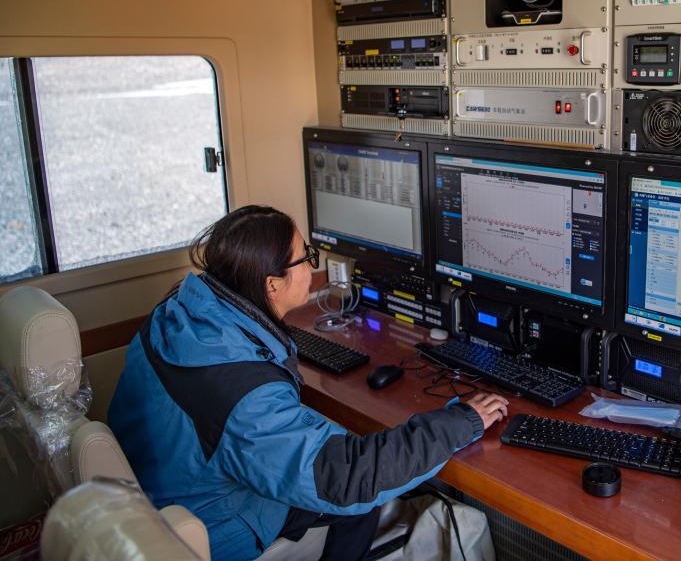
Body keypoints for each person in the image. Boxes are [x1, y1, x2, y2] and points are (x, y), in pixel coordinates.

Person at [108, 205, 509, 561]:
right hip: (215, 530)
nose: (312, 268)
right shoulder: (241, 392)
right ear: (272, 284)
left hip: (158, 500)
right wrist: (461, 421)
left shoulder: (176, 315)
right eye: (306, 258)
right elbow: (345, 478)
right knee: (358, 501)